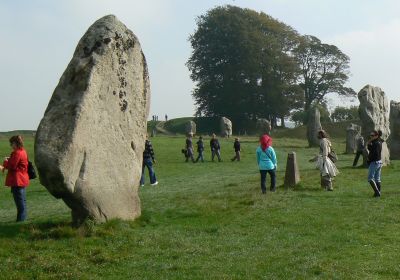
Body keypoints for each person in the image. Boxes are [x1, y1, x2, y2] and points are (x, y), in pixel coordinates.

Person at [0, 135, 30, 222]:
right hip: (22, 179)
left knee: (20, 204)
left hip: (18, 180)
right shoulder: (23, 151)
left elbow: (12, 166)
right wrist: (10, 159)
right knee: (22, 202)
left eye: (11, 143)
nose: (11, 145)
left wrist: (5, 162)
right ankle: (22, 220)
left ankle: (20, 221)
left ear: (15, 143)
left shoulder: (17, 153)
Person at [366, 130, 382, 197]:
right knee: (377, 179)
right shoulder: (378, 142)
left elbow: (374, 153)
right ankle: (377, 193)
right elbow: (371, 149)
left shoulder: (375, 143)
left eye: (372, 135)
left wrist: (369, 159)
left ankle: (377, 192)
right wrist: (369, 143)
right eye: (370, 135)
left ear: (376, 136)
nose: (371, 136)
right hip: (379, 162)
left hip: (374, 162)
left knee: (370, 178)